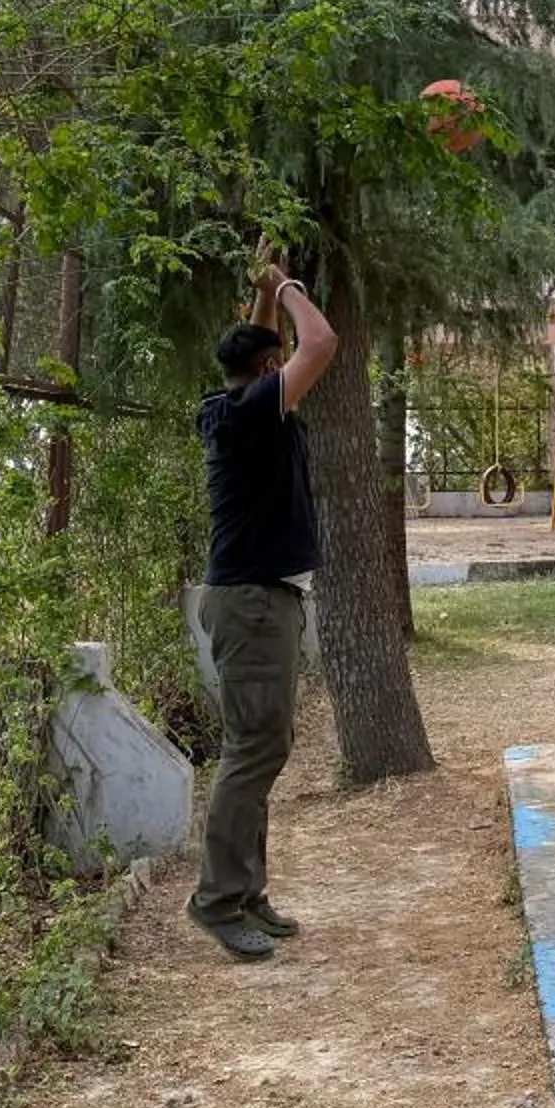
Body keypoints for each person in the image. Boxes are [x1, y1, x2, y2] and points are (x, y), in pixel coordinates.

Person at [190, 249, 337, 961]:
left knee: (260, 747)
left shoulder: (233, 404)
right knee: (252, 751)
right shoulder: (253, 414)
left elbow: (272, 350)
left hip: (254, 600)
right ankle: (218, 901)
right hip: (252, 605)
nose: (291, 375)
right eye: (277, 365)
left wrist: (262, 300)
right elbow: (323, 343)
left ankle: (245, 891)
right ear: (267, 373)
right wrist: (285, 286)